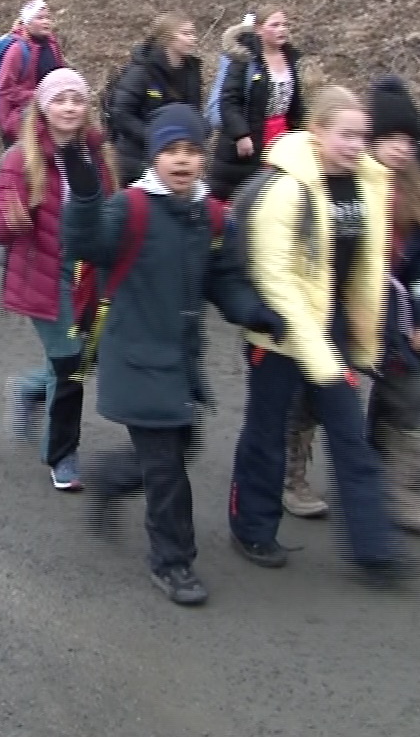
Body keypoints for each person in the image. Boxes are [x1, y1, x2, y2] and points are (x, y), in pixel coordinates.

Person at [64, 104, 279, 606]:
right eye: (170, 151)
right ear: (153, 158)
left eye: (191, 151)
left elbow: (222, 278)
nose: (182, 161)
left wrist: (252, 312)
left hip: (179, 360)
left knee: (180, 451)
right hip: (135, 355)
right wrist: (86, 193)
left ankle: (110, 477)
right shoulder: (131, 207)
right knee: (166, 470)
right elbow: (87, 244)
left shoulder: (206, 213)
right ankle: (172, 561)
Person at [227, 86, 413, 589]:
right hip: (279, 330)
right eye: (345, 134)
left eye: (362, 136)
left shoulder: (369, 183)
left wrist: (364, 331)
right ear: (316, 131)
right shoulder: (283, 188)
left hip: (328, 327)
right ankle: (252, 529)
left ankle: (375, 551)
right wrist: (321, 355)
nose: (356, 145)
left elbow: (367, 266)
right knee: (266, 435)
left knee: (351, 436)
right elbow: (276, 278)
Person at [0, 68, 115, 492]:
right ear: (43, 106)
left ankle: (28, 389)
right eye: (60, 100)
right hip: (44, 275)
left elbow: (112, 212)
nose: (70, 108)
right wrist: (12, 218)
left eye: (77, 100)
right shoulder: (21, 158)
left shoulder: (97, 154)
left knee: (82, 360)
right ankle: (62, 455)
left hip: (88, 277)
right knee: (71, 365)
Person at [366, 75, 420, 536]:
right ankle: (293, 474)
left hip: (394, 314)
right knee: (312, 402)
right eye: (389, 139)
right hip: (346, 311)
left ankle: (398, 490)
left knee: (407, 397)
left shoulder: (416, 191)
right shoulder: (347, 185)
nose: (400, 148)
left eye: (407, 139)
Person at [209, 8, 304, 200]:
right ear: (259, 29)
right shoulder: (245, 59)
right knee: (246, 193)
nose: (282, 30)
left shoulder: (291, 59)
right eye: (275, 25)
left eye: (285, 25)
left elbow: (296, 102)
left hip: (282, 133)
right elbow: (229, 100)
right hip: (252, 133)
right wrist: (241, 134)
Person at [107, 14, 201, 184]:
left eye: (193, 33)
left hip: (176, 155)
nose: (193, 39)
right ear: (168, 37)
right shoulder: (142, 70)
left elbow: (193, 109)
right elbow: (121, 112)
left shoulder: (191, 70)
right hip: (138, 156)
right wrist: (155, 137)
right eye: (186, 34)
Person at [0, 0, 65, 146]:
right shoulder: (17, 50)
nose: (46, 22)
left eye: (48, 18)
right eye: (40, 18)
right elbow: (5, 90)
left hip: (48, 114)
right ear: (27, 22)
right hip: (20, 120)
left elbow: (59, 72)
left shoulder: (51, 43)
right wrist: (39, 96)